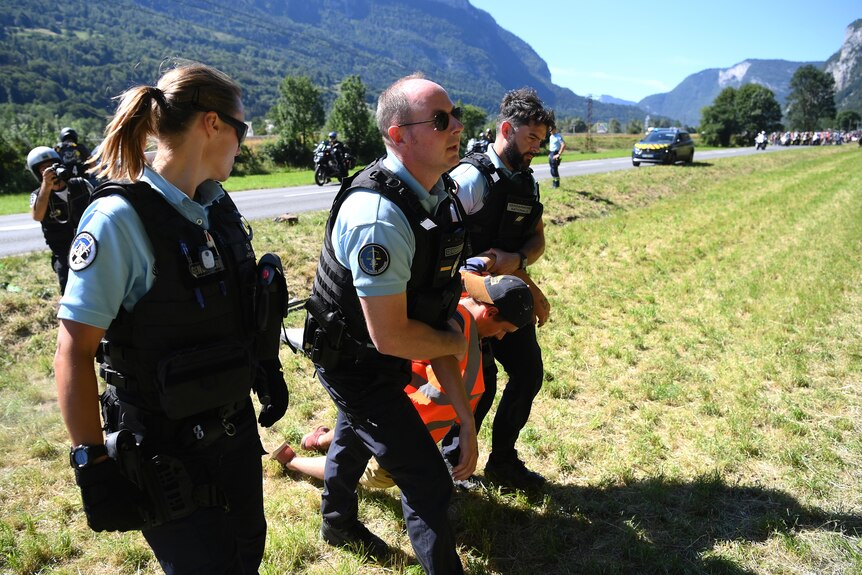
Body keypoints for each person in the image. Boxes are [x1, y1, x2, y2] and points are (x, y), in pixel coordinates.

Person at [53, 61, 289, 575]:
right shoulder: (120, 220)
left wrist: (263, 366)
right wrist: (90, 464)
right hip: (165, 456)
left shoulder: (215, 206)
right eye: (241, 128)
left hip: (233, 435)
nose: (241, 141)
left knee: (246, 556)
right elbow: (74, 348)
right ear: (212, 124)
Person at [302, 74, 472, 573]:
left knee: (353, 434)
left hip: (380, 351)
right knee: (427, 480)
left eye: (454, 112)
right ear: (399, 135)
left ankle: (336, 521)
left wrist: (464, 416)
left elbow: (435, 314)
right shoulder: (379, 217)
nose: (457, 125)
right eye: (441, 119)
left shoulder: (439, 194)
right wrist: (453, 343)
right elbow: (394, 334)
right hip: (352, 360)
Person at [276, 265, 534, 490]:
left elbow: (473, 270)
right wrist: (465, 425)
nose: (500, 337)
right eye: (503, 329)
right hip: (400, 426)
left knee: (355, 429)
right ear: (489, 313)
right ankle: (293, 461)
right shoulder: (458, 339)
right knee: (368, 473)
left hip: (377, 401)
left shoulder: (455, 301)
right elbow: (441, 378)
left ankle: (318, 439)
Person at [446, 87, 554, 491]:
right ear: (507, 129)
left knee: (528, 373)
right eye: (531, 139)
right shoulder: (469, 178)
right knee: (480, 386)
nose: (536, 149)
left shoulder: (526, 182)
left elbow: (537, 239)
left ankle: (503, 461)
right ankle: (452, 465)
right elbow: (440, 247)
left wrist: (517, 262)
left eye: (541, 142)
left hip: (506, 297)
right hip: (466, 304)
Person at [26, 146, 93, 293]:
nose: (50, 171)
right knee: (69, 289)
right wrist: (46, 186)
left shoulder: (81, 184)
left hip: (90, 244)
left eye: (52, 166)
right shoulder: (38, 195)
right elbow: (37, 215)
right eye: (44, 169)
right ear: (38, 174)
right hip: (63, 252)